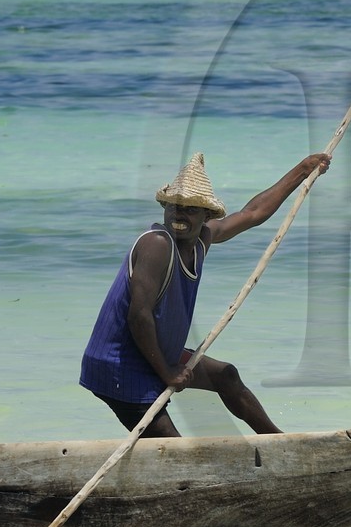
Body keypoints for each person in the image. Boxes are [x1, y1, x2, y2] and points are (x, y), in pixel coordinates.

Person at [79, 151, 330, 437]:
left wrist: (303, 170)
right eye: (174, 206)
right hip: (121, 365)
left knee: (226, 376)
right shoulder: (157, 244)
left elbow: (252, 214)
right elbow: (139, 316)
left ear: (206, 215)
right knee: (172, 450)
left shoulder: (201, 241)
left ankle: (279, 442)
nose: (179, 215)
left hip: (156, 354)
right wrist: (168, 372)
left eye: (190, 209)